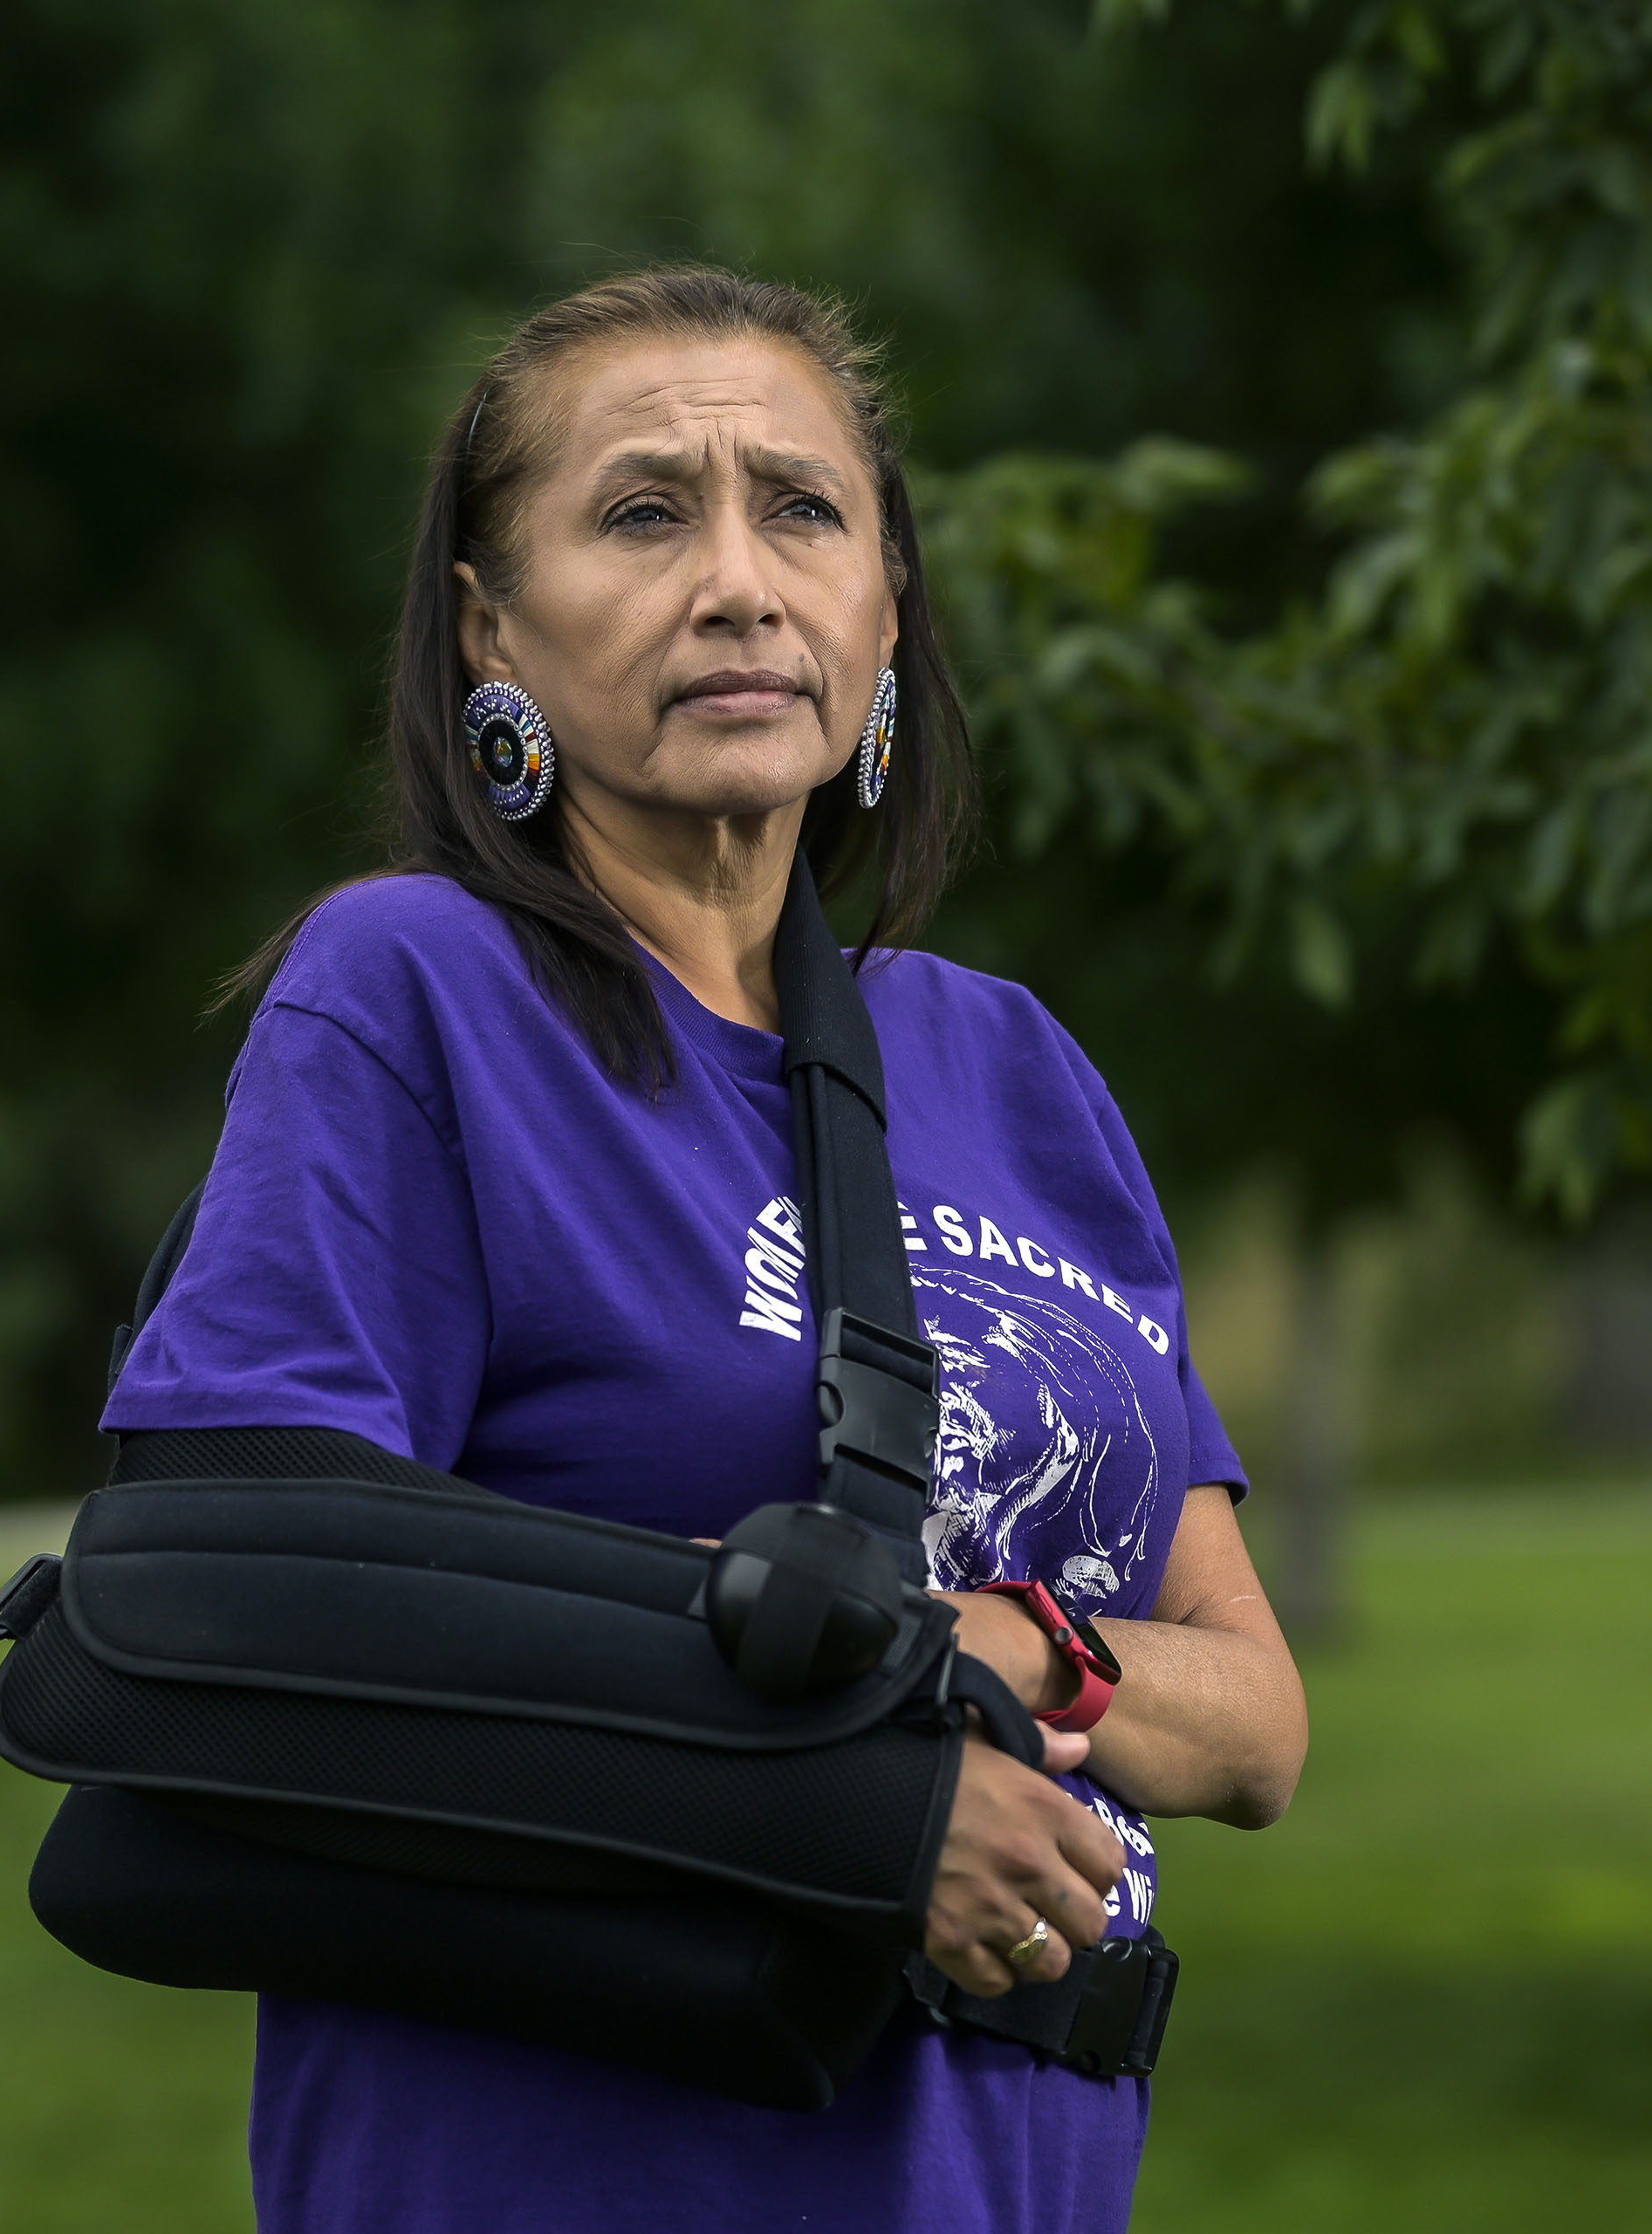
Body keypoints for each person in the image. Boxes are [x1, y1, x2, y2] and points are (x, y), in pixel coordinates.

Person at [104, 266, 1310, 2234]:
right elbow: (255, 1609)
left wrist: (1000, 1641)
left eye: (805, 510)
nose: (741, 580)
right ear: (492, 627)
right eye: (648, 510)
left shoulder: (1009, 1063)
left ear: (888, 614)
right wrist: (849, 1797)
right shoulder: (413, 993)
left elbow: (1254, 1720)